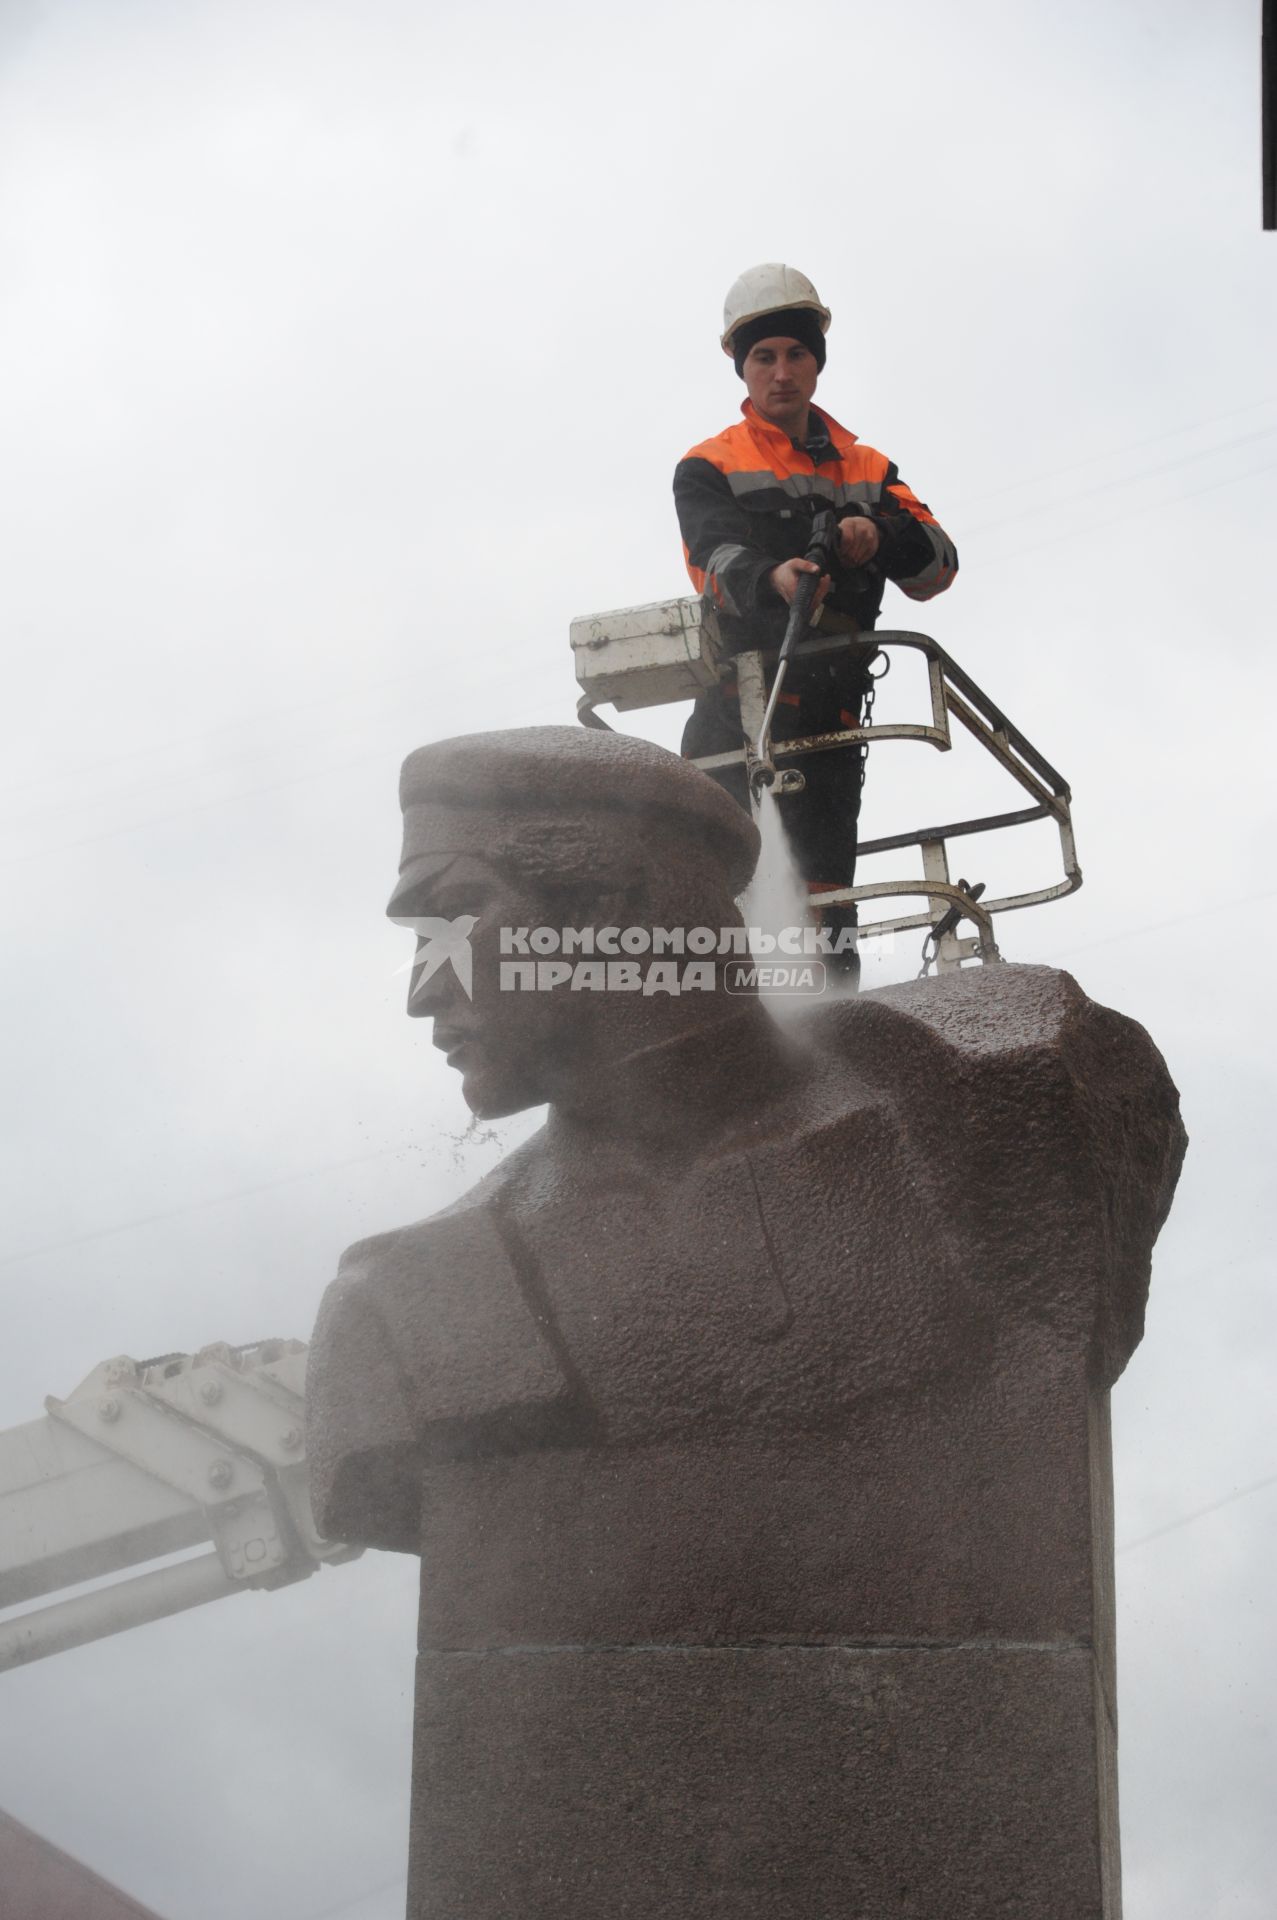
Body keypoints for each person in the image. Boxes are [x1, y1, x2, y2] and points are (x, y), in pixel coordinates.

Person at [674, 263, 959, 972]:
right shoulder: (708, 465)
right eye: (763, 357)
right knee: (714, 899)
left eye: (795, 353)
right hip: (737, 712)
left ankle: (832, 1038)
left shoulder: (868, 468)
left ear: (816, 360)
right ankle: (727, 1041)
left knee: (826, 907)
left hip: (830, 725)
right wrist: (772, 574)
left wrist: (876, 533)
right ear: (740, 367)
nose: (780, 372)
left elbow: (939, 566)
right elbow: (712, 560)